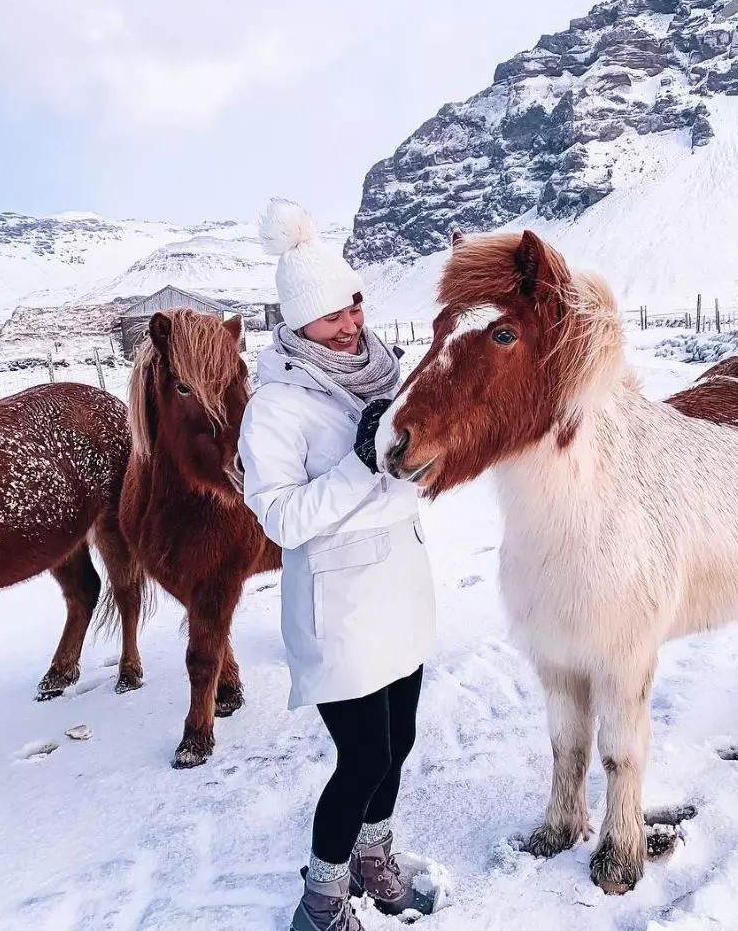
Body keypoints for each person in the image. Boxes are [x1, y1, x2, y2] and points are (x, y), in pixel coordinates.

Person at [238, 199, 438, 931]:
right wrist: (360, 467)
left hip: (401, 589)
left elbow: (410, 466)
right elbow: (280, 518)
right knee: (361, 760)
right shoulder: (277, 406)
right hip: (340, 608)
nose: (351, 324)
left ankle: (373, 859)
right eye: (331, 317)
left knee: (402, 741)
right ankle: (320, 904)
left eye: (352, 304)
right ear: (296, 327)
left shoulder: (383, 371)